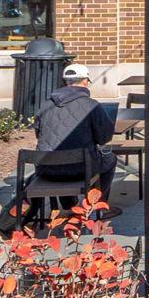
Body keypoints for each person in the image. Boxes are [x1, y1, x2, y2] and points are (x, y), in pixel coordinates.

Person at [33, 62, 118, 206]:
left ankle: (69, 205)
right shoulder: (91, 105)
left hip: (47, 169)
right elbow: (104, 138)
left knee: (64, 157)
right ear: (85, 81)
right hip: (81, 169)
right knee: (110, 159)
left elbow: (39, 134)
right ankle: (94, 206)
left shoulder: (46, 105)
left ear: (66, 82)